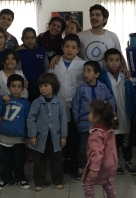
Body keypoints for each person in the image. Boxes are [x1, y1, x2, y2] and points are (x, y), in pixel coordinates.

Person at [72, 61, 116, 180]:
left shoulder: (103, 87)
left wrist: (110, 114)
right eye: (84, 71)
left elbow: (110, 100)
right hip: (85, 123)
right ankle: (81, 167)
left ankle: (98, 167)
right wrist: (77, 120)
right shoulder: (81, 88)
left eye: (89, 71)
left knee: (99, 146)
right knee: (84, 147)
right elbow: (76, 105)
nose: (85, 73)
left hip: (101, 124)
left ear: (96, 74)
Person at [49, 34, 85, 174]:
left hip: (77, 105)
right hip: (59, 104)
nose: (70, 50)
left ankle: (76, 162)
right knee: (61, 133)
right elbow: (50, 82)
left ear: (78, 49)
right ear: (62, 47)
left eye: (73, 47)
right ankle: (64, 160)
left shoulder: (82, 64)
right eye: (67, 47)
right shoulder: (55, 63)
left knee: (75, 135)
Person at [98, 48, 136, 176]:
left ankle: (128, 161)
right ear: (106, 61)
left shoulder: (124, 75)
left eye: (117, 60)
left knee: (127, 138)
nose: (114, 63)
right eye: (111, 60)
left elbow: (131, 93)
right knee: (112, 139)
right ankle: (114, 162)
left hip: (124, 111)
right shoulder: (102, 75)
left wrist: (133, 107)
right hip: (110, 112)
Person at [27, 73, 68, 191]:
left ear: (53, 86)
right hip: (40, 137)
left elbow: (63, 120)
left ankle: (57, 180)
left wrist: (63, 136)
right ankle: (39, 182)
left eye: (46, 85)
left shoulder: (59, 103)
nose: (43, 88)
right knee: (39, 160)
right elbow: (31, 119)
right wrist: (32, 135)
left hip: (55, 137)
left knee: (57, 160)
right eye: (40, 86)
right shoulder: (36, 102)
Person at [0, 74, 31, 191]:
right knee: (6, 161)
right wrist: (0, 99)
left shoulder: (26, 104)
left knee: (19, 161)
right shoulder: (3, 99)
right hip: (4, 137)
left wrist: (28, 136)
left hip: (20, 138)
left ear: (23, 88)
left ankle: (21, 178)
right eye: (13, 86)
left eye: (19, 86)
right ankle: (5, 179)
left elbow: (29, 121)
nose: (16, 89)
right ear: (8, 87)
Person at [82, 100, 119, 198]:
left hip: (100, 166)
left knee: (87, 183)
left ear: (97, 117)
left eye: (90, 113)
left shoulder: (96, 134)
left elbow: (97, 153)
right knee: (107, 182)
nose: (88, 115)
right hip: (111, 164)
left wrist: (94, 169)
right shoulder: (109, 130)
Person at [17, 27, 48, 102]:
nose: (30, 40)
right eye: (27, 38)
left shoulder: (41, 52)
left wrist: (45, 81)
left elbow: (47, 68)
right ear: (22, 39)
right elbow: (18, 70)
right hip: (25, 87)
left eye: (32, 38)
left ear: (36, 39)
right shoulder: (18, 53)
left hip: (41, 86)